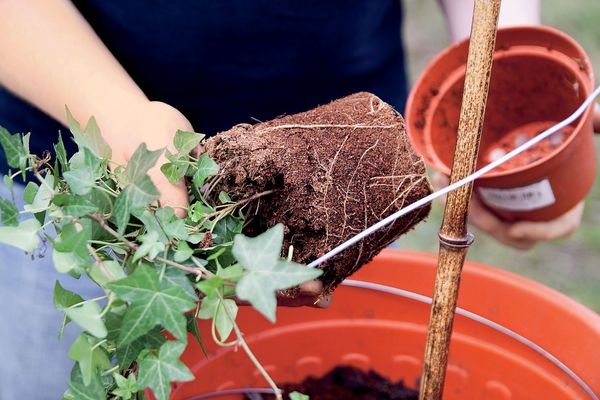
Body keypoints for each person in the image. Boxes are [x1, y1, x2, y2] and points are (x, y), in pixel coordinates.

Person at [0, 1, 594, 398]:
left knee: (358, 328)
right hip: (88, 184)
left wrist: (500, 68)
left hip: (349, 185)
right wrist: (119, 123)